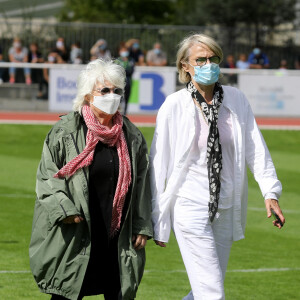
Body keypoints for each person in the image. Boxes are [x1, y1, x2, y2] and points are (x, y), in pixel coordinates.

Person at [150, 33, 285, 300]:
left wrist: (270, 191)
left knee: (207, 287)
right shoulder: (174, 106)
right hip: (189, 205)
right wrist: (158, 218)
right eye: (200, 59)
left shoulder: (236, 99)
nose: (208, 64)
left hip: (225, 206)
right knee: (212, 293)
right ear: (185, 66)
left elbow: (255, 147)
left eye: (213, 58)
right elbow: (158, 163)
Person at [29, 59, 153, 300]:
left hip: (116, 236)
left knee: (118, 291)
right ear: (87, 95)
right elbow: (47, 176)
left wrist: (142, 225)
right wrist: (64, 210)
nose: (112, 95)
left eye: (117, 91)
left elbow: (141, 185)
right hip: (76, 231)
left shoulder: (131, 135)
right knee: (67, 292)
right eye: (104, 90)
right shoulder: (65, 131)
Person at [115, 44, 135, 115]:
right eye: (123, 50)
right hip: (119, 83)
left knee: (127, 99)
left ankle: (125, 114)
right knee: (119, 98)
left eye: (125, 50)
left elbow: (131, 71)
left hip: (128, 82)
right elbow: (116, 71)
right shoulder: (117, 61)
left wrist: (123, 70)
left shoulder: (131, 60)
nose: (124, 52)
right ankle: (116, 112)